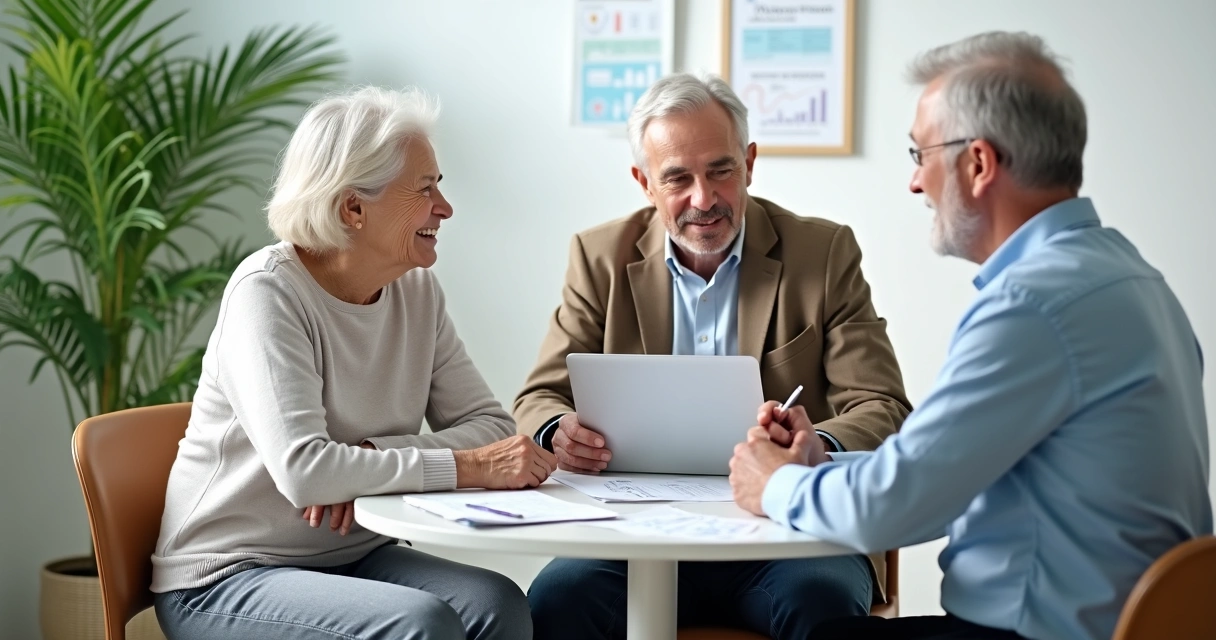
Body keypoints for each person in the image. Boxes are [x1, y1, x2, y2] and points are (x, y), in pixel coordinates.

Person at [729, 31, 1212, 640]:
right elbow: (943, 472)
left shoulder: (1032, 305)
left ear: (978, 163)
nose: (914, 183)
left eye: (918, 154)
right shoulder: (1133, 279)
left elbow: (894, 506)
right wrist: (823, 459)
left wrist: (775, 484)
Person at [517, 73, 912, 640]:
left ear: (749, 162)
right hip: (631, 536)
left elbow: (882, 403)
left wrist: (811, 448)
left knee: (819, 605)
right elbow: (539, 396)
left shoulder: (822, 253)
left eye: (720, 170)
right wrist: (558, 431)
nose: (703, 199)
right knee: (556, 602)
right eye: (677, 178)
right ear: (644, 182)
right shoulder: (599, 257)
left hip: (789, 533)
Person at [150, 87, 554, 640]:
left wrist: (369, 460)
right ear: (353, 207)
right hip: (228, 575)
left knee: (497, 602)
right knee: (421, 624)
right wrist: (467, 466)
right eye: (425, 188)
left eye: (440, 185)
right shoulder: (267, 293)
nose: (445, 207)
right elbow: (307, 473)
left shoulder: (417, 293)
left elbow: (491, 429)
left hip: (355, 555)